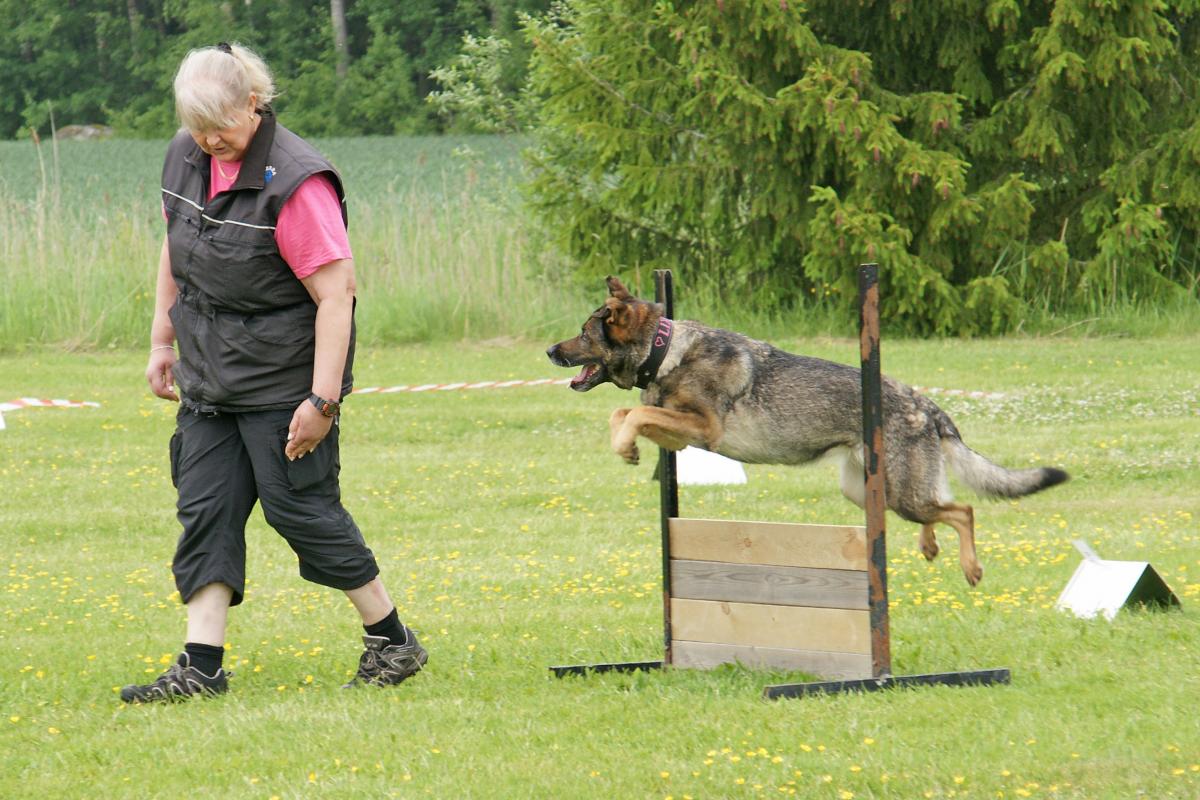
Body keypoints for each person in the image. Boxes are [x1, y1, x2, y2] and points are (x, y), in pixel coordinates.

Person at [121, 42, 426, 703]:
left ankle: (393, 640)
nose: (208, 140)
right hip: (208, 376)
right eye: (196, 128)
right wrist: (161, 340)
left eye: (220, 128)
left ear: (253, 106)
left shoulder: (297, 182)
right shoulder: (187, 155)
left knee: (300, 510)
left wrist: (321, 399)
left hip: (283, 379)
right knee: (206, 510)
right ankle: (201, 668)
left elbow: (336, 298)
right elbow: (176, 253)